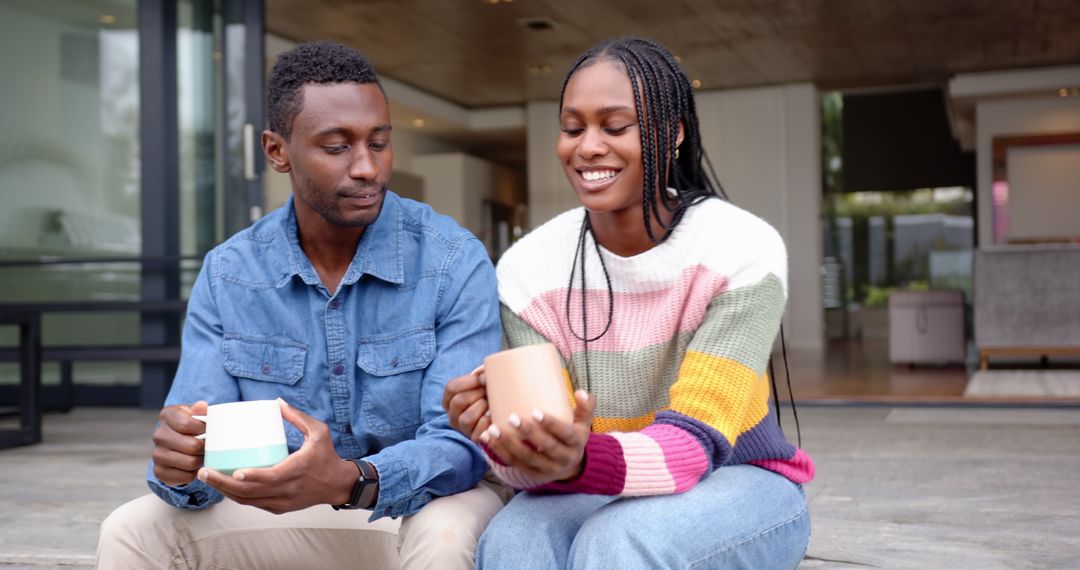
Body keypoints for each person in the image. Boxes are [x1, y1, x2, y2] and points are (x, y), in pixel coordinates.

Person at [97, 40, 508, 570]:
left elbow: (459, 446)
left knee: (447, 534)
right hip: (281, 507)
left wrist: (352, 479)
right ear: (277, 151)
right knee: (133, 530)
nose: (367, 168)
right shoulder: (231, 273)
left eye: (379, 143)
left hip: (417, 507)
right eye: (337, 147)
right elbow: (198, 454)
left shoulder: (454, 260)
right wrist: (179, 468)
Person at [443, 37, 815, 569]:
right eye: (572, 128)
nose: (588, 146)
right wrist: (507, 443)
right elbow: (537, 473)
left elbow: (695, 447)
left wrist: (575, 462)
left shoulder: (740, 249)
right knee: (512, 540)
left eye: (615, 127)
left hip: (742, 480)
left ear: (674, 133)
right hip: (596, 479)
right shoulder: (529, 270)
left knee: (619, 540)